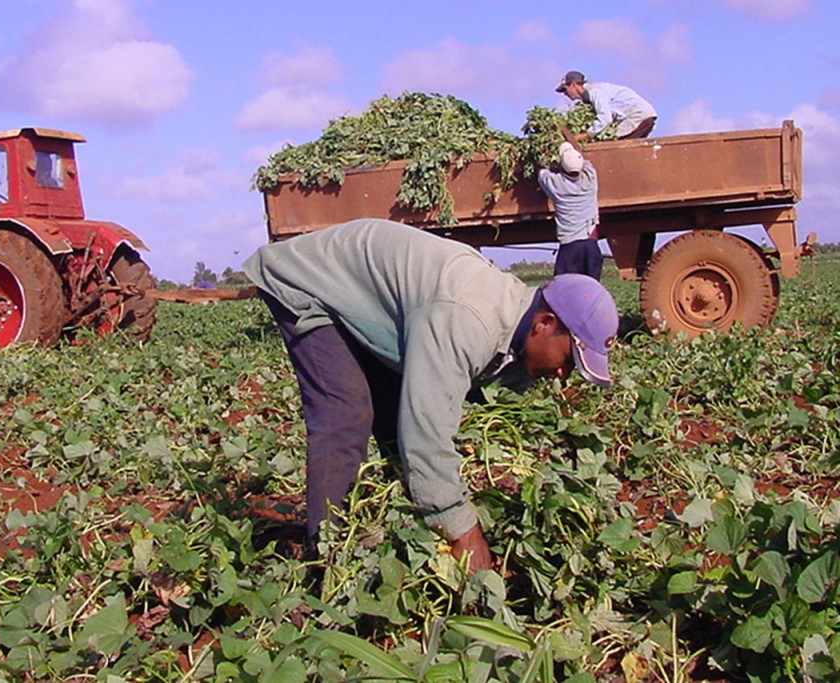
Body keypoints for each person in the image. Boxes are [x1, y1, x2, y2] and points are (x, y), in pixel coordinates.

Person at [243, 219, 619, 574]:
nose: (561, 376)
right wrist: (463, 532)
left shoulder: (516, 317)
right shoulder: (468, 319)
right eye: (569, 361)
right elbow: (426, 436)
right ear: (544, 323)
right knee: (346, 413)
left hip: (369, 295)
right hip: (312, 280)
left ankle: (387, 514)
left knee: (393, 413)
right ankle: (324, 556)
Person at [538, 139, 603, 280]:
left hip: (570, 247)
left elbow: (542, 173)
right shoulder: (591, 179)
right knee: (591, 287)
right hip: (591, 246)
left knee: (566, 289)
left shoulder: (556, 184)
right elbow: (586, 163)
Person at [556, 70, 657, 140]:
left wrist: (585, 135)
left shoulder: (595, 92)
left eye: (565, 89)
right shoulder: (589, 96)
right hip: (642, 116)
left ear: (574, 85)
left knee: (615, 147)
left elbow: (605, 118)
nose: (565, 94)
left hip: (637, 116)